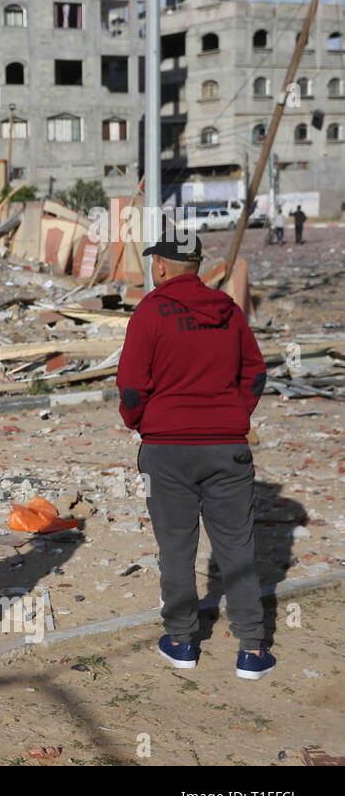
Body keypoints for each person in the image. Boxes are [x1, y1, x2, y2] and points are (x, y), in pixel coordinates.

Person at [117, 235, 274, 680]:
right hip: (228, 447)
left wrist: (141, 422)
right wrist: (234, 415)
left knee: (176, 548)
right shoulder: (229, 311)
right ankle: (252, 650)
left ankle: (183, 642)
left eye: (154, 263)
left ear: (162, 267)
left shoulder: (149, 312)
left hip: (167, 449)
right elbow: (256, 373)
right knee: (238, 547)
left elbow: (131, 386)